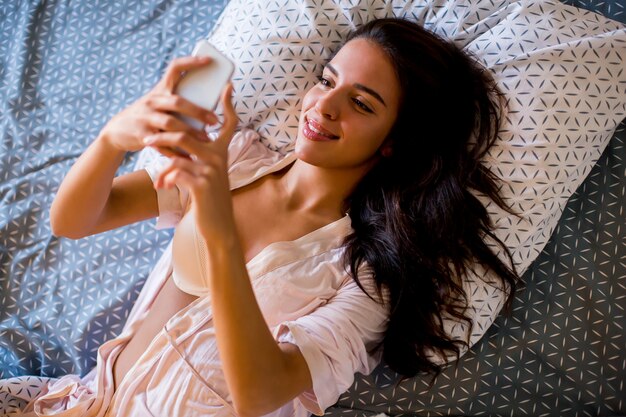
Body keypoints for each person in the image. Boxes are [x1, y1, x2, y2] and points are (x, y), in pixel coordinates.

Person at [9, 17, 517, 417]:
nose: (324, 106)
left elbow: (260, 392)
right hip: (86, 402)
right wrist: (112, 140)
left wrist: (218, 229)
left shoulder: (367, 274)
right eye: (326, 80)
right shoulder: (235, 161)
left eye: (360, 103)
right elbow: (74, 221)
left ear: (394, 143)